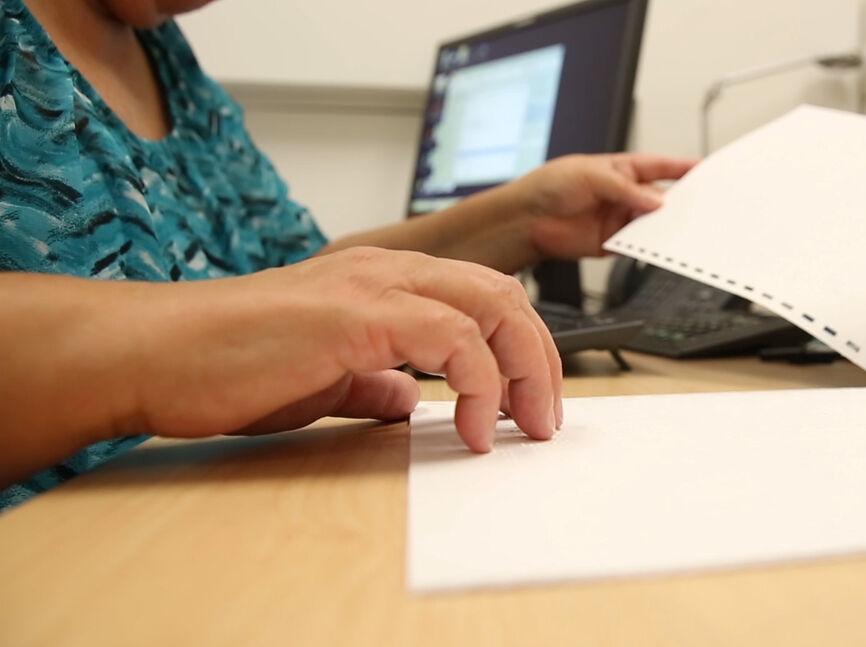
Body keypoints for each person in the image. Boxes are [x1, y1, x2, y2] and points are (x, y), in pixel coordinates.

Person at [0, 0, 696, 509]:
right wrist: (168, 348)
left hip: (208, 506)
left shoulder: (163, 52)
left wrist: (529, 216)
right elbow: (251, 308)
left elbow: (297, 277)